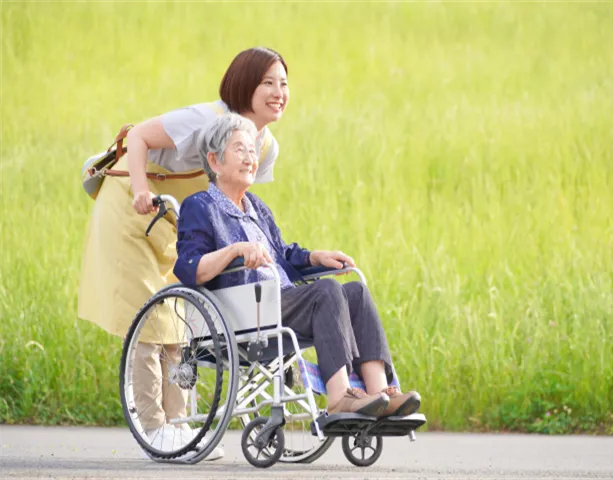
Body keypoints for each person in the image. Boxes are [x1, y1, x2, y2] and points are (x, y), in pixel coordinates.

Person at [77, 47, 289, 457]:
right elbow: (138, 136)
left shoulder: (266, 147)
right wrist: (141, 190)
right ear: (244, 85)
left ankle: (185, 428)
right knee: (154, 318)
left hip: (176, 218)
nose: (278, 91)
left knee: (183, 321)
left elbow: (233, 200)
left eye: (283, 83)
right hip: (131, 204)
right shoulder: (204, 119)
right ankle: (155, 428)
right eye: (268, 82)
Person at [175, 113, 421, 417]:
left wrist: (314, 257)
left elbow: (282, 254)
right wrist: (235, 251)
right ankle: (340, 397)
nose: (250, 158)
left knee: (355, 292)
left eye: (252, 150)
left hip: (281, 300)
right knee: (326, 291)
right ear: (214, 161)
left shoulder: (257, 208)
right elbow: (190, 267)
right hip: (245, 310)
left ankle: (379, 394)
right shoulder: (200, 207)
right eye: (240, 149)